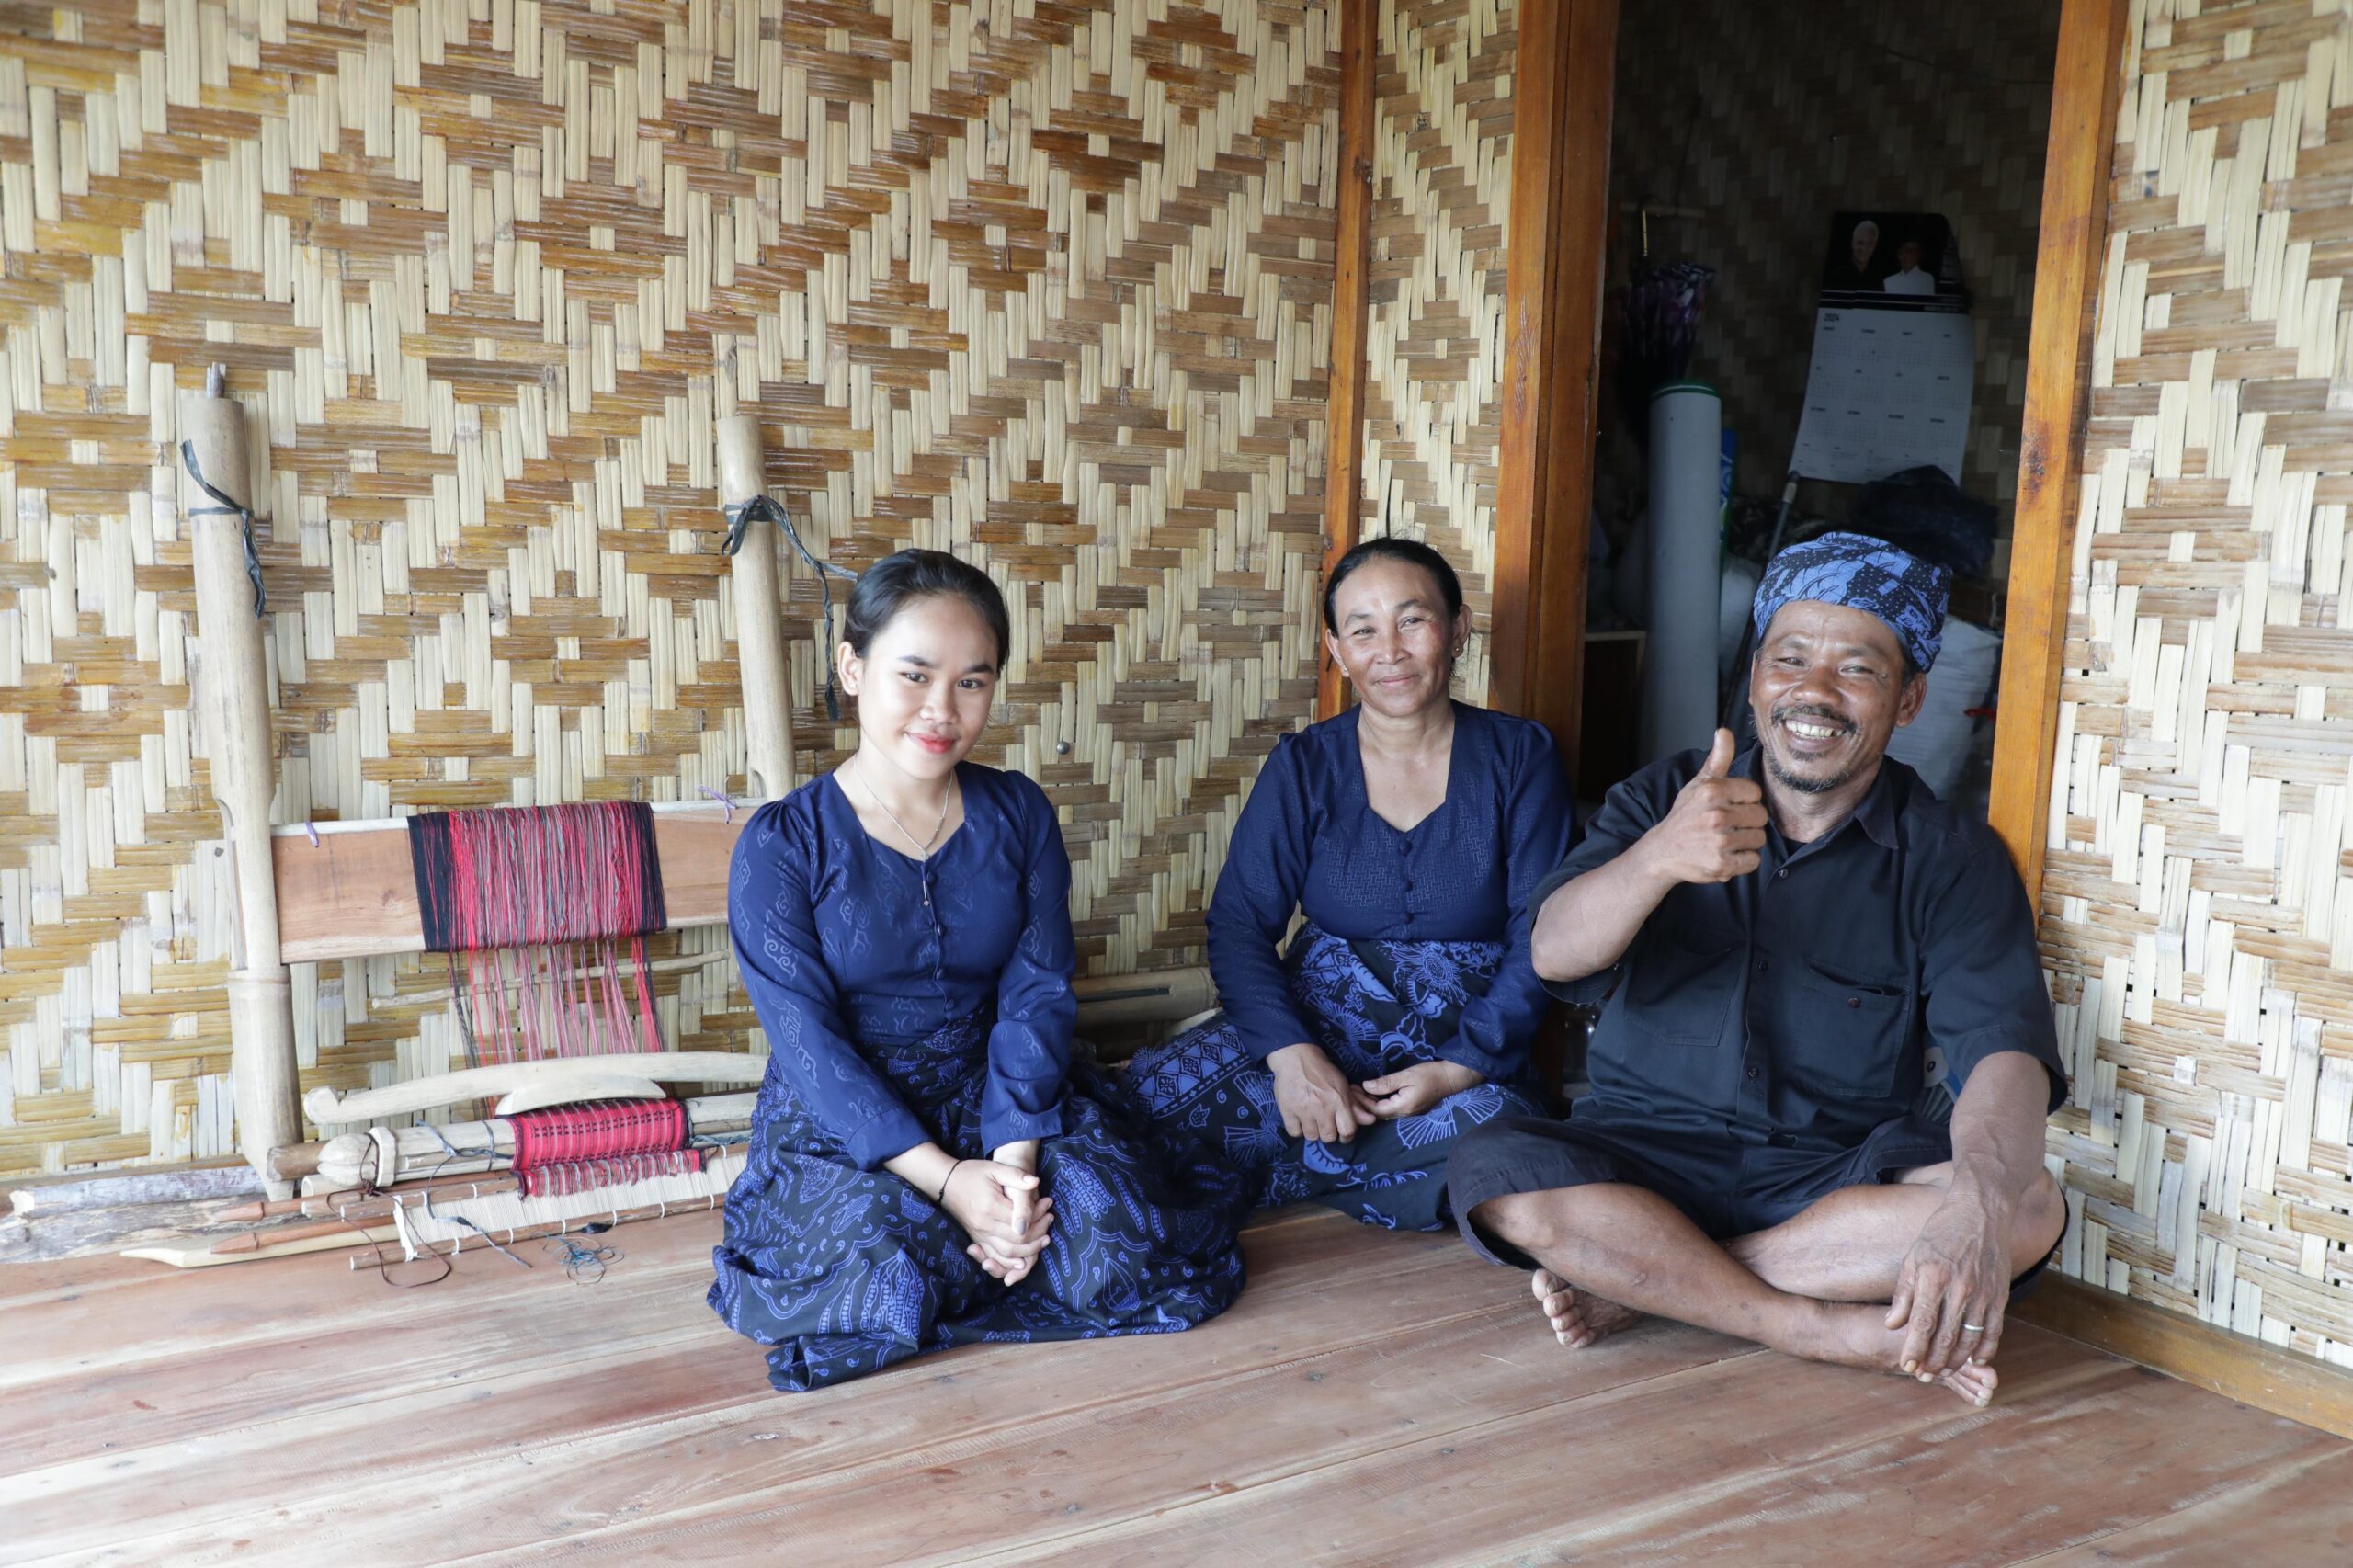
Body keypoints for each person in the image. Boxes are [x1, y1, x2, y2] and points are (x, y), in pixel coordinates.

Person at [1447, 531, 2069, 1409]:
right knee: (1498, 1178)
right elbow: (1553, 949)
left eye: (1858, 668)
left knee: (2027, 1205)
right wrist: (1659, 858)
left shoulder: (1951, 859)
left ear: (1911, 698)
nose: (1814, 691)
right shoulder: (1662, 799)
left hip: (1829, 1178)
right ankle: (1803, 1325)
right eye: (1790, 658)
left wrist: (1976, 1202)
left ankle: (1648, 1284)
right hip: (1644, 1158)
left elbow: (2003, 1054)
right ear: (1755, 678)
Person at [710, 549, 1248, 1391]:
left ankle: (1002, 1230)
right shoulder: (783, 844)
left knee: (1113, 1242)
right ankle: (948, 1237)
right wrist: (950, 1181)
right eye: (915, 676)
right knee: (886, 1263)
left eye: (972, 681)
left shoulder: (1017, 812)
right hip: (845, 1121)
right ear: (853, 669)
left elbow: (1035, 995)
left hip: (1002, 1096)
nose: (942, 709)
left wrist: (1013, 1168)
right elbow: (807, 1043)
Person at [1124, 538, 1574, 1231]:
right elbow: (1240, 923)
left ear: (1457, 630)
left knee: (1500, 1132)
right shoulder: (1304, 767)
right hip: (1317, 1026)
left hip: (1460, 1052)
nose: (1388, 650)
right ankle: (1345, 1160)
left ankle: (1296, 1161)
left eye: (1412, 620)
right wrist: (1293, 1058)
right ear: (1337, 649)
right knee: (1138, 1108)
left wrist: (1458, 1070)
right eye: (1363, 630)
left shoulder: (1520, 758)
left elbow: (1542, 936)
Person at [1824, 219, 1888, 291]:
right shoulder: (1836, 277)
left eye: (1869, 244)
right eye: (1860, 242)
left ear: (1874, 246)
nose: (1864, 248)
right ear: (1852, 243)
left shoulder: (1877, 282)